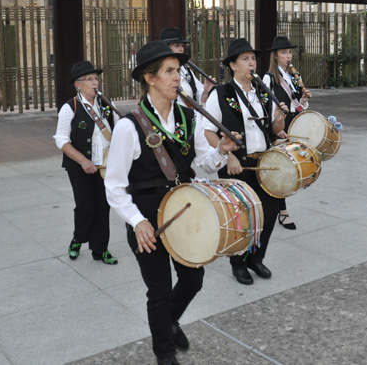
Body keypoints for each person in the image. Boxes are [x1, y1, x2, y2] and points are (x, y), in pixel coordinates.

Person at [104, 40, 238, 365]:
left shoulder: (188, 119)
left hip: (181, 211)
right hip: (146, 216)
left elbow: (204, 163)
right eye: (169, 71)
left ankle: (168, 321)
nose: (177, 77)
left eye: (178, 71)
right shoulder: (128, 126)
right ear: (150, 78)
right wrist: (137, 222)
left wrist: (221, 150)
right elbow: (114, 186)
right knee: (159, 290)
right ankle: (164, 353)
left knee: (193, 279)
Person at [203, 38, 288, 286]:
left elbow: (273, 128)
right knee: (241, 217)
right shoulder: (220, 94)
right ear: (233, 65)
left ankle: (256, 257)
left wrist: (280, 118)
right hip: (237, 165)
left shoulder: (262, 91)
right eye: (245, 59)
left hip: (264, 162)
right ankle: (237, 263)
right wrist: (227, 155)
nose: (251, 63)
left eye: (253, 58)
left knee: (269, 213)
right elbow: (208, 132)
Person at [55, 60, 120, 266]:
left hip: (104, 165)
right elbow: (61, 140)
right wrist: (83, 161)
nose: (95, 83)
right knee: (85, 206)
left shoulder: (107, 105)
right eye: (89, 79)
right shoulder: (70, 107)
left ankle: (100, 249)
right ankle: (78, 239)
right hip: (79, 166)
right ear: (78, 84)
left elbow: (119, 132)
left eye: (96, 79)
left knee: (103, 207)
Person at [262, 35, 312, 230]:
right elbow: (265, 106)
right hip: (279, 125)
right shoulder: (268, 78)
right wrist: (275, 130)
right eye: (284, 53)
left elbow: (297, 103)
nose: (288, 56)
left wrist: (305, 98)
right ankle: (282, 211)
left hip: (293, 122)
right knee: (283, 167)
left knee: (294, 166)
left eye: (289, 52)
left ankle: (279, 208)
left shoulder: (293, 76)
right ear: (275, 56)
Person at [160, 27, 215, 106]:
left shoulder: (186, 71)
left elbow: (199, 98)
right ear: (166, 48)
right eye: (177, 45)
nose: (181, 49)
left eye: (182, 46)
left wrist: (206, 91)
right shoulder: (160, 73)